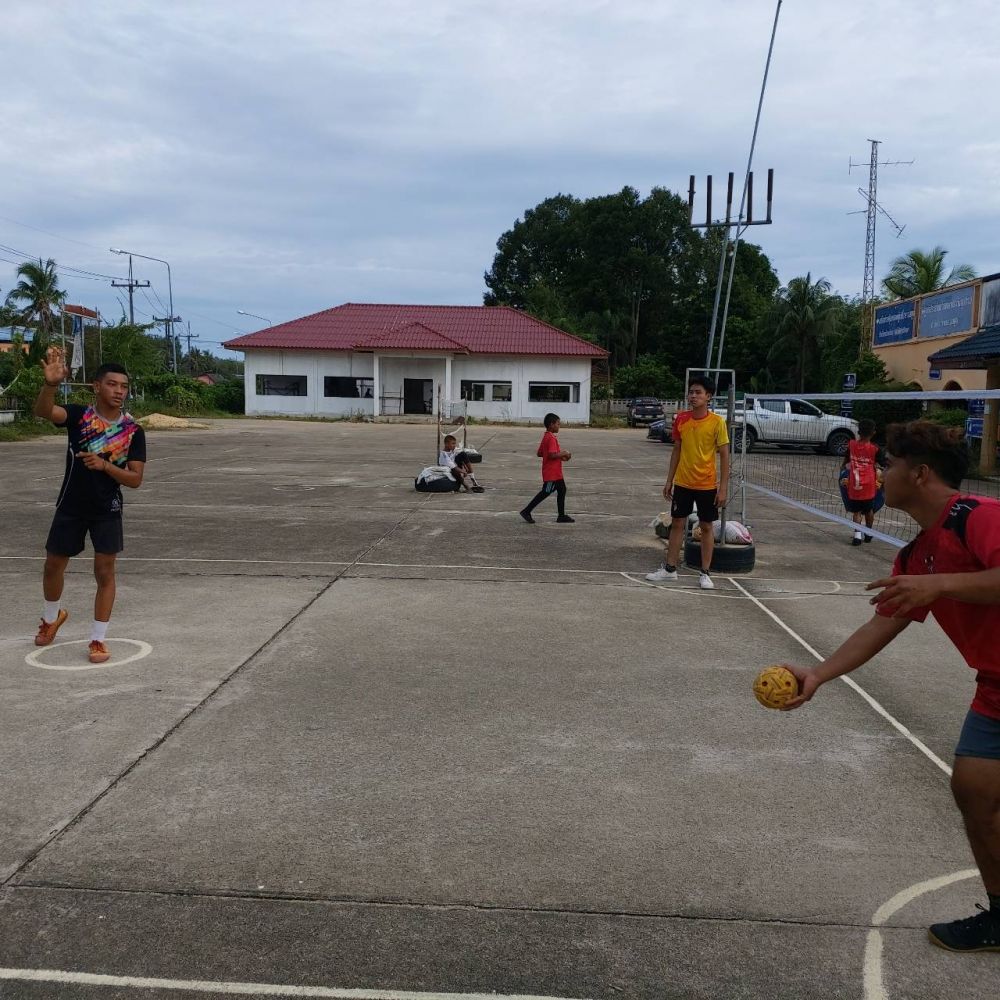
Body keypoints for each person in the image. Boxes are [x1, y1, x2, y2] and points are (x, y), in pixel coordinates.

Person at [783, 421, 1000, 953]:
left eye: (890, 465)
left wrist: (939, 585)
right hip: (995, 685)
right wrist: (819, 674)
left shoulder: (980, 516)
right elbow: (882, 624)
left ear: (919, 474)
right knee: (973, 792)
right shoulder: (917, 554)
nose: (880, 474)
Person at [32, 348, 147, 664]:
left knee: (104, 572)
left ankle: (98, 638)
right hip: (71, 505)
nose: (119, 391)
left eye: (124, 386)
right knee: (53, 565)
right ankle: (51, 618)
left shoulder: (132, 431)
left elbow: (135, 479)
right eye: (112, 384)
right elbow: (44, 411)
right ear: (97, 386)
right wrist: (50, 385)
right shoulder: (79, 416)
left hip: (106, 509)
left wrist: (105, 466)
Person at [646, 375, 730, 590]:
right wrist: (669, 480)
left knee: (706, 526)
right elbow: (676, 450)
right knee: (677, 523)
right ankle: (670, 569)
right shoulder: (682, 419)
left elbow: (724, 455)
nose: (693, 396)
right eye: (691, 392)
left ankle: (705, 573)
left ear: (708, 396)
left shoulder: (717, 422)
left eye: (698, 392)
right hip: (683, 482)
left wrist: (723, 488)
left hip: (707, 484)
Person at [519, 412, 573, 524]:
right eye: (558, 424)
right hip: (551, 473)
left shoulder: (546, 436)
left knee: (562, 489)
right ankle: (526, 511)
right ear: (551, 424)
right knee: (545, 492)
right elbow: (552, 455)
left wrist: (560, 456)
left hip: (556, 473)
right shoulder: (551, 438)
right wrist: (564, 453)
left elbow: (540, 453)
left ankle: (561, 516)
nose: (559, 426)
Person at [841, 418, 884, 546]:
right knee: (869, 510)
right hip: (868, 485)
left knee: (857, 512)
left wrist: (843, 470)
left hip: (854, 484)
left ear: (858, 431)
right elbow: (883, 464)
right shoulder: (875, 449)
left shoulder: (851, 445)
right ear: (873, 432)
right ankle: (868, 533)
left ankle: (857, 536)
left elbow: (846, 460)